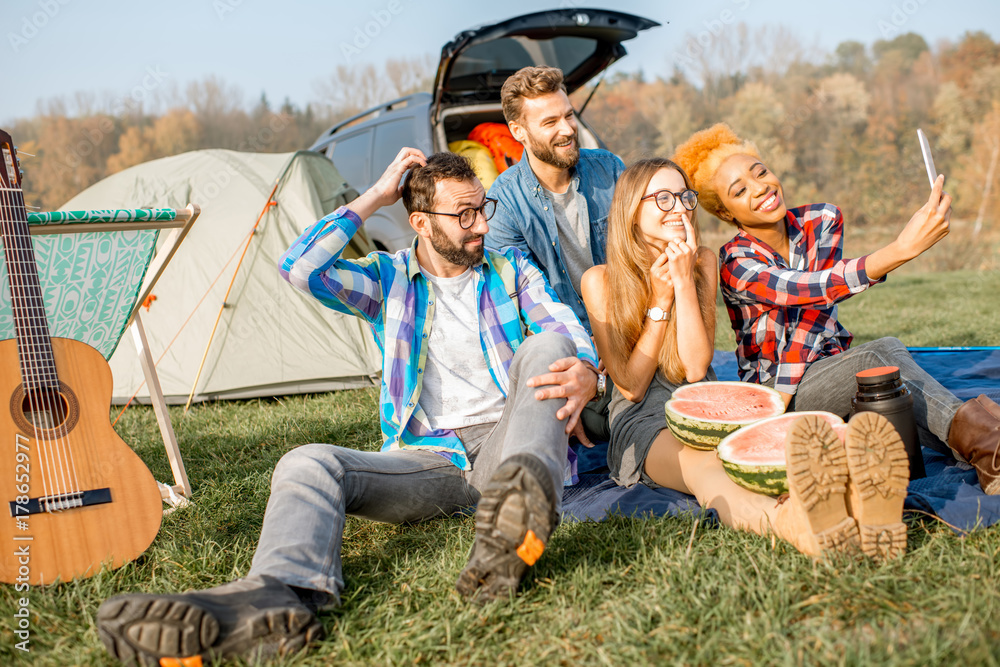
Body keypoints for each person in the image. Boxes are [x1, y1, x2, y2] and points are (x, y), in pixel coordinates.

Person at [96, 149, 600, 665]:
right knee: (307, 461)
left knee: (551, 348)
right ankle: (278, 596)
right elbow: (299, 268)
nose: (479, 226)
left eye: (482, 209)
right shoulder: (388, 280)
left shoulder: (510, 269)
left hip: (508, 444)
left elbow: (565, 329)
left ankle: (519, 526)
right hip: (431, 462)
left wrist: (588, 369)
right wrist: (377, 195)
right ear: (420, 223)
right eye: (463, 214)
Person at [580, 157, 910, 560]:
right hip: (643, 420)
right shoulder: (600, 280)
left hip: (709, 405)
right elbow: (630, 386)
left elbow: (694, 368)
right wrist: (661, 299)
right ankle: (796, 528)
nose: (680, 208)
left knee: (764, 457)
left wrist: (683, 283)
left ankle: (859, 504)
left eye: (684, 197)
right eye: (662, 199)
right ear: (632, 211)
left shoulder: (702, 262)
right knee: (707, 470)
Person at [672, 122, 1000, 496]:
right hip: (778, 392)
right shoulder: (736, 261)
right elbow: (806, 291)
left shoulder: (822, 220)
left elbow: (818, 306)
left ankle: (988, 444)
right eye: (740, 190)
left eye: (760, 171)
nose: (760, 187)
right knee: (879, 355)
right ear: (727, 213)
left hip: (832, 371)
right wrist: (899, 251)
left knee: (897, 396)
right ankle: (989, 443)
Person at [485, 65, 625, 441]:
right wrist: (586, 361)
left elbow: (640, 258)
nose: (566, 129)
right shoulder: (503, 204)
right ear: (519, 131)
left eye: (568, 115)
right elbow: (524, 305)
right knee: (598, 422)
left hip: (629, 328)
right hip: (570, 343)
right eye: (550, 122)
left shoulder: (610, 170)